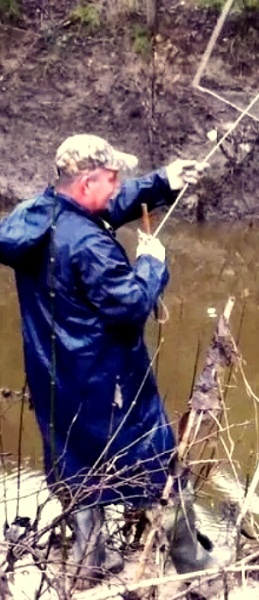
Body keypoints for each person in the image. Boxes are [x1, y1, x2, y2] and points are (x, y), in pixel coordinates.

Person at [0, 134, 215, 582]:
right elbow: (130, 306)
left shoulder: (36, 217)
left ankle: (88, 564)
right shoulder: (90, 248)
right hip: (109, 385)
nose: (120, 186)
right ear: (85, 181)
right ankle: (194, 566)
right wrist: (151, 264)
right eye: (113, 178)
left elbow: (98, 211)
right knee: (163, 472)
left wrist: (162, 182)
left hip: (57, 382)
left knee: (77, 470)